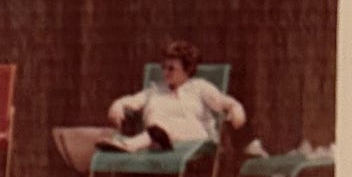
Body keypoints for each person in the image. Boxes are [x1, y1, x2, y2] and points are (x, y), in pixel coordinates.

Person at [97, 40, 247, 153]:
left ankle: (130, 145)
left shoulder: (200, 87)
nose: (165, 72)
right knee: (157, 127)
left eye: (171, 68)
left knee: (162, 127)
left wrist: (236, 109)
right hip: (158, 139)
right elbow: (131, 100)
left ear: (187, 69)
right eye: (164, 67)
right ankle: (143, 141)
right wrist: (118, 104)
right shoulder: (155, 89)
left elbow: (226, 103)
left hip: (195, 138)